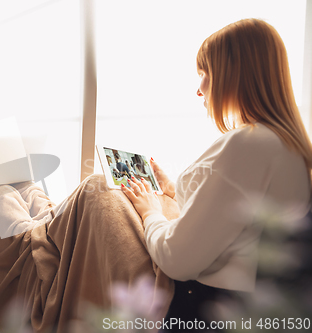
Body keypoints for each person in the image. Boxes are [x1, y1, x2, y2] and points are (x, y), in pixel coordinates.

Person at [121, 18, 311, 331]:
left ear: (233, 74)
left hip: (208, 310)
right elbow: (236, 225)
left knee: (95, 194)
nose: (199, 90)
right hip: (252, 307)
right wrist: (175, 190)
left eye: (204, 74)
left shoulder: (248, 143)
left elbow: (176, 259)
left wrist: (150, 213)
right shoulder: (290, 147)